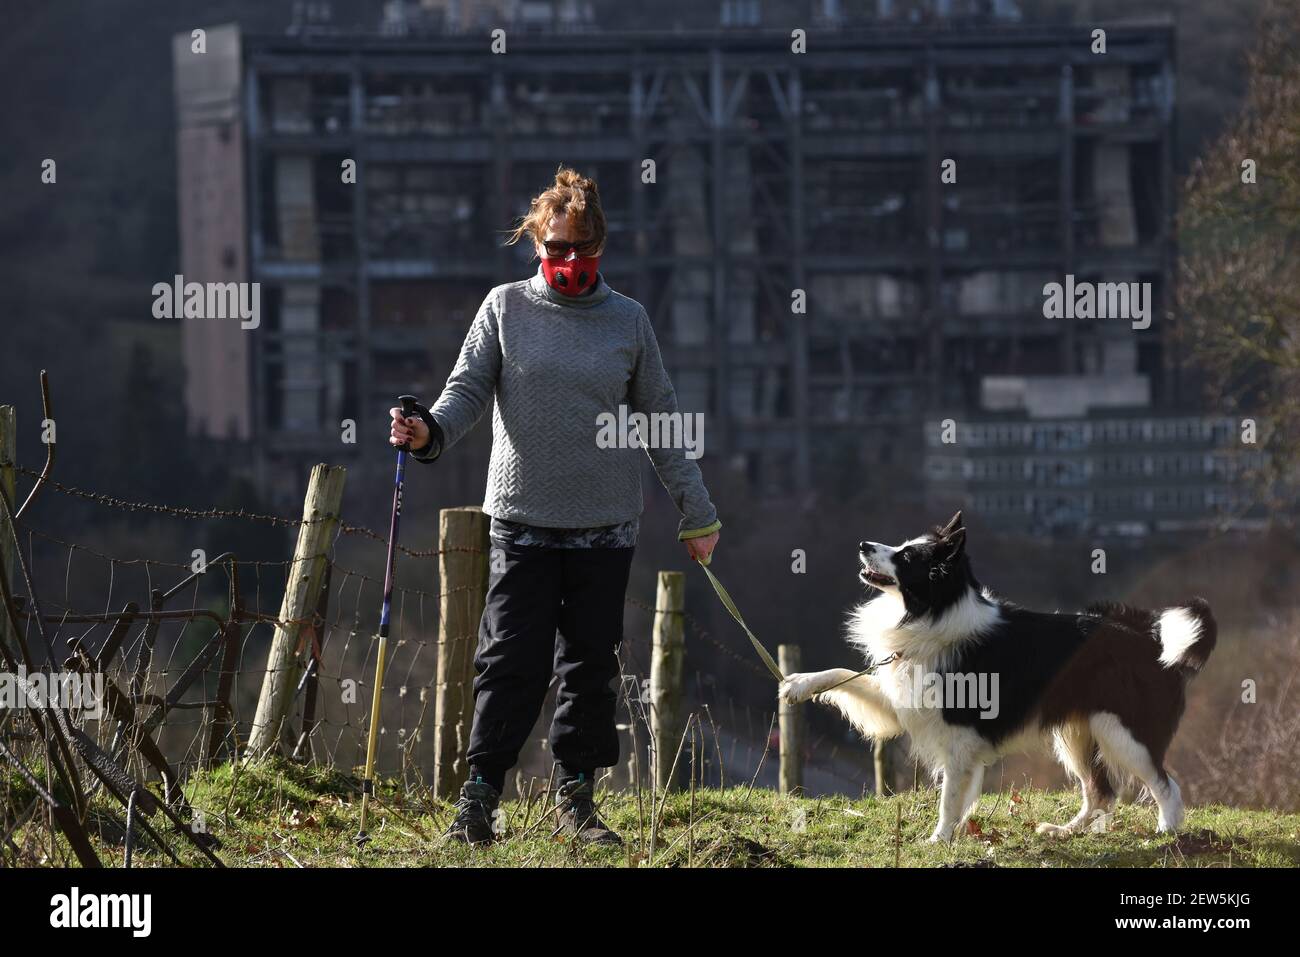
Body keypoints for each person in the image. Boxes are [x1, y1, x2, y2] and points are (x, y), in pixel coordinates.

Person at [388, 166, 720, 846]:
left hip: (605, 527)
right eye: (556, 249)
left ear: (600, 248)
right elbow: (466, 390)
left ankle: (577, 799)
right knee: (510, 657)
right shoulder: (504, 307)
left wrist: (698, 511)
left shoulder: (628, 320)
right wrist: (430, 432)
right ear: (538, 244)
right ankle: (478, 797)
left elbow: (662, 422)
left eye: (581, 250)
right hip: (521, 521)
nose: (568, 262)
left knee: (589, 665)